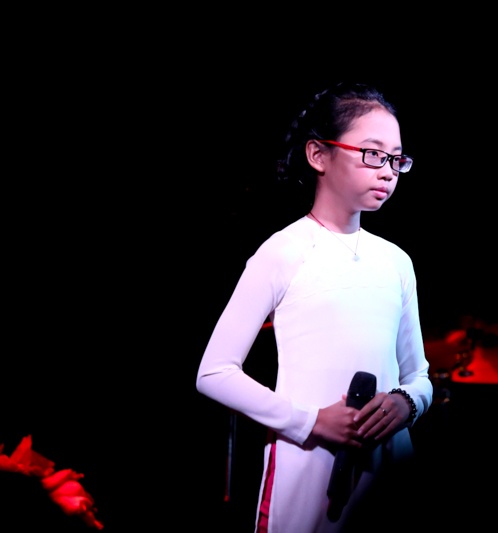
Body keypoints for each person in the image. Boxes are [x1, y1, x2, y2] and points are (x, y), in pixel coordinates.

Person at [196, 81, 433, 533]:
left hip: (388, 466)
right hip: (308, 464)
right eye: (372, 153)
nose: (387, 171)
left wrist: (406, 404)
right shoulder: (283, 252)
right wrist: (312, 422)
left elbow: (419, 376)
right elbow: (213, 373)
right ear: (318, 155)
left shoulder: (397, 262)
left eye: (396, 158)